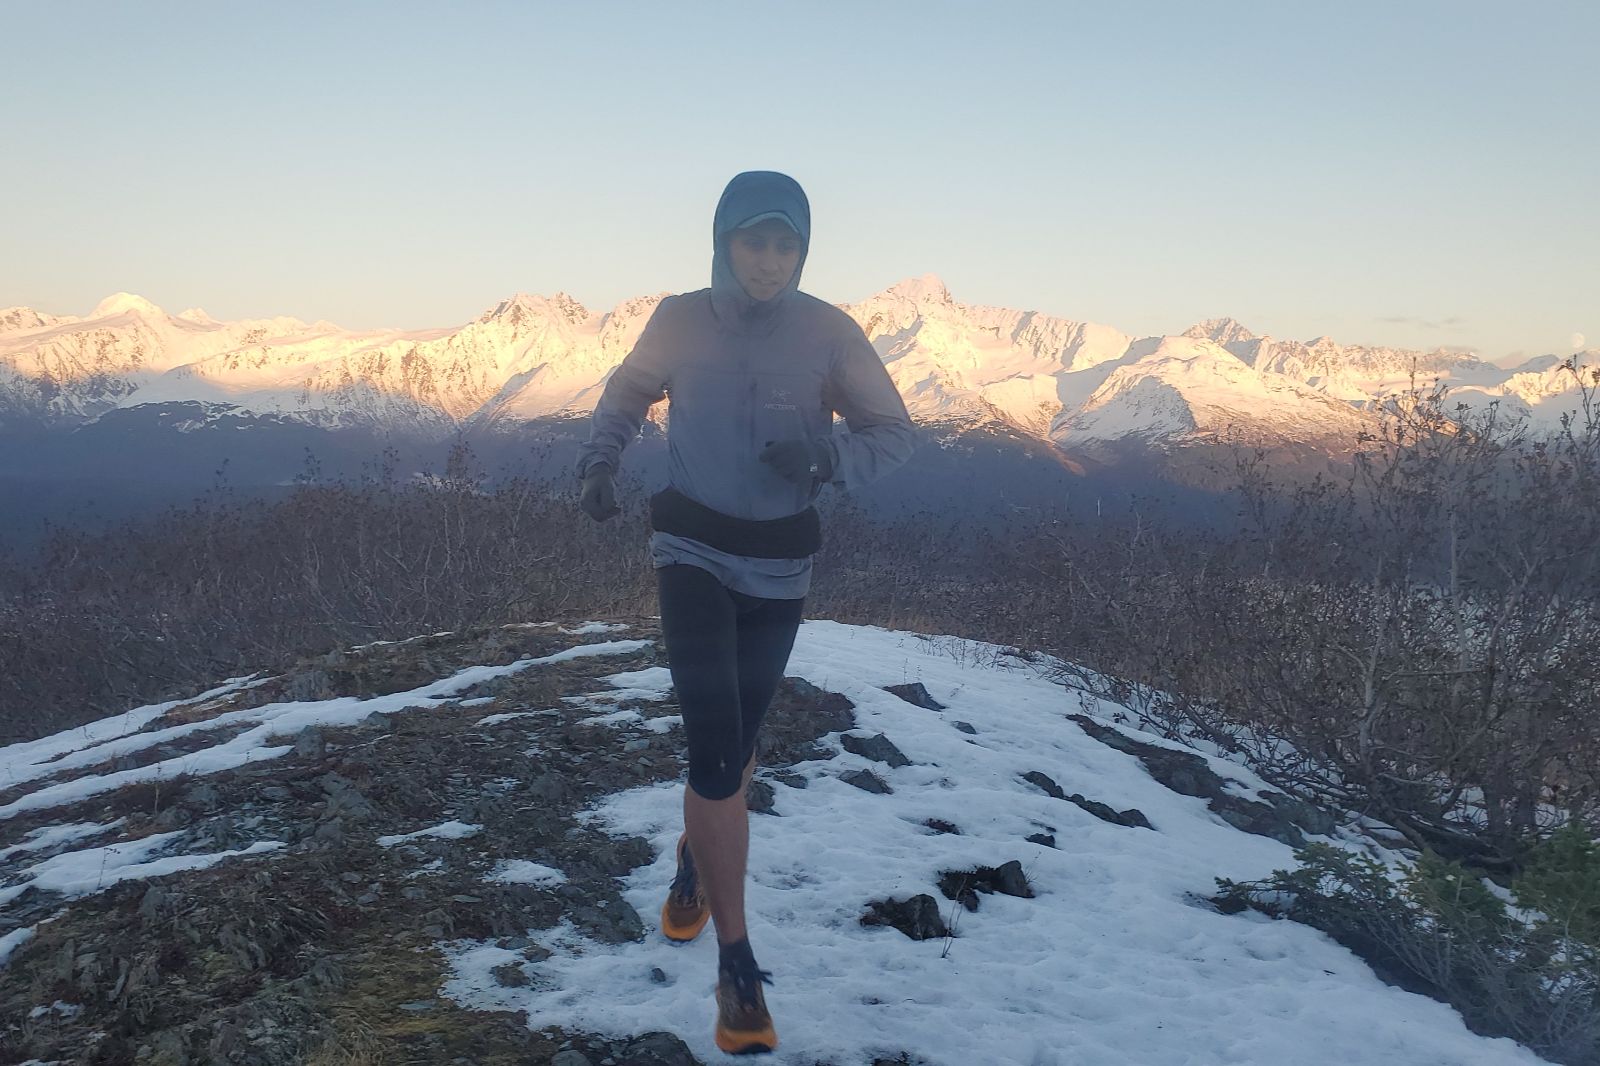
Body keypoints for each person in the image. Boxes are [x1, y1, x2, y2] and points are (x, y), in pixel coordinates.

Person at [575, 170, 915, 1054]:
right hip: (688, 547)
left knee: (740, 733)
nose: (768, 260)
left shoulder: (830, 333)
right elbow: (627, 391)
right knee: (717, 753)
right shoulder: (680, 318)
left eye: (786, 244)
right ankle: (736, 962)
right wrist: (599, 462)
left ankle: (696, 859)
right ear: (723, 241)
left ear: (803, 251)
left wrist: (827, 455)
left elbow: (893, 431)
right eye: (753, 241)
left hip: (780, 564)